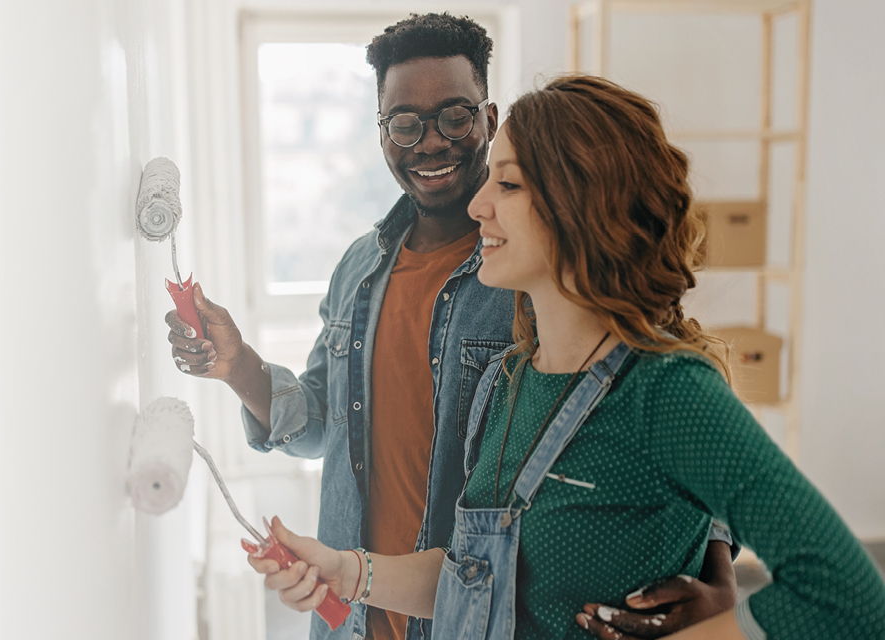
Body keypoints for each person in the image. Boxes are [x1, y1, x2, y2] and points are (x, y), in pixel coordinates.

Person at [245, 74, 885, 640]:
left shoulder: (664, 391)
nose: (477, 206)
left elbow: (849, 596)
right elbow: (476, 574)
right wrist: (347, 570)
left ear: (583, 204)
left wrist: (719, 625)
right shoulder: (507, 381)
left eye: (510, 183)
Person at [166, 13, 736, 640]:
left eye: (455, 117)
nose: (430, 142)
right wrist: (239, 364)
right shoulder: (358, 269)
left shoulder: (533, 270)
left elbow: (654, 403)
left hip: (471, 618)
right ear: (382, 133)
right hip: (354, 610)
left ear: (489, 121)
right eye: (404, 123)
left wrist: (719, 581)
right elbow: (326, 425)